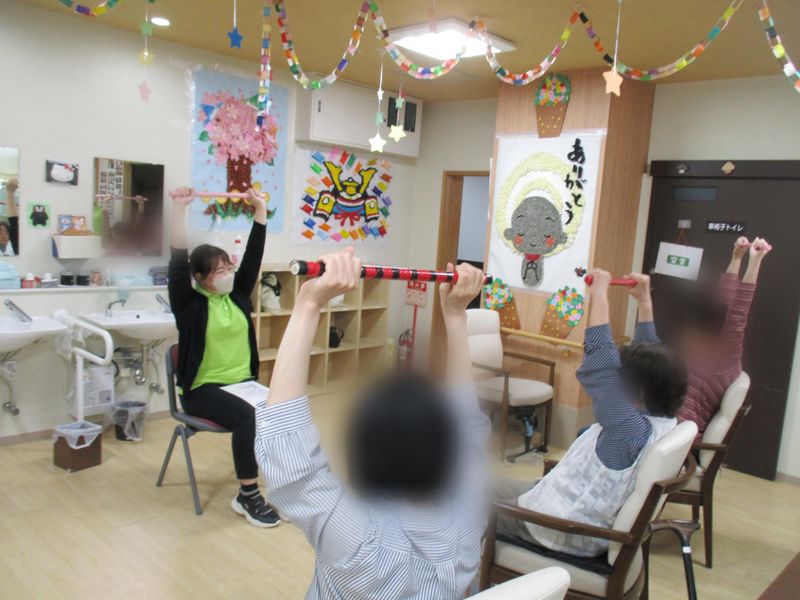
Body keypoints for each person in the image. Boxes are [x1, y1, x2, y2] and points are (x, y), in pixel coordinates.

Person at [255, 250, 490, 599]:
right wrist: (455, 316)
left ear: (361, 450)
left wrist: (308, 304)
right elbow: (468, 427)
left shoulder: (360, 542)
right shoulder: (468, 509)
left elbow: (290, 460)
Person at [493, 270, 687, 557]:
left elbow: (599, 366)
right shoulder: (662, 418)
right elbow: (652, 356)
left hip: (558, 528)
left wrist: (598, 294)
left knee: (461, 504)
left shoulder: (628, 429)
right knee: (474, 481)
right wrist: (644, 301)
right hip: (556, 502)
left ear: (637, 391)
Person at [167, 186, 279, 528]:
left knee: (285, 409)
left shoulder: (238, 296)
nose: (228, 273)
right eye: (219, 271)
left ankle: (283, 486)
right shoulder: (189, 305)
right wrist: (179, 210)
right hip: (204, 390)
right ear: (199, 278)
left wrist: (259, 209)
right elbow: (177, 259)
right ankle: (248, 495)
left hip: (243, 385)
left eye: (228, 266)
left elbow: (254, 254)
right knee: (248, 417)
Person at [676, 236, 771, 435]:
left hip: (679, 433)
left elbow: (738, 315)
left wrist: (755, 261)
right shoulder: (702, 351)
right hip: (664, 423)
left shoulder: (722, 364)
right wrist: (736, 257)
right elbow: (722, 303)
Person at [0, 178, 19, 256]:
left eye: (7, 233)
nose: (4, 236)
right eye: (0, 232)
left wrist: (10, 192)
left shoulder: (14, 247)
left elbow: (14, 223)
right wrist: (10, 192)